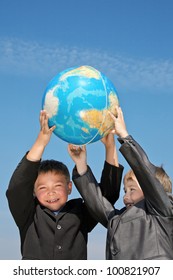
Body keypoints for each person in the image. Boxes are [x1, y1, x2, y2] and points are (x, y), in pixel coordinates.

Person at [6, 110, 123, 260]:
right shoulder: (29, 214)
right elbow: (17, 188)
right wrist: (41, 142)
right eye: (43, 188)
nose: (51, 193)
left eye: (57, 186)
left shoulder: (80, 213)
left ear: (69, 187)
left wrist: (109, 148)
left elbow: (107, 197)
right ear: (33, 192)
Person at [69, 106, 173, 260]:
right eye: (125, 190)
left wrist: (124, 136)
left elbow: (146, 175)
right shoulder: (116, 220)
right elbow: (96, 201)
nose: (126, 196)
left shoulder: (161, 211)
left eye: (132, 189)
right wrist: (81, 165)